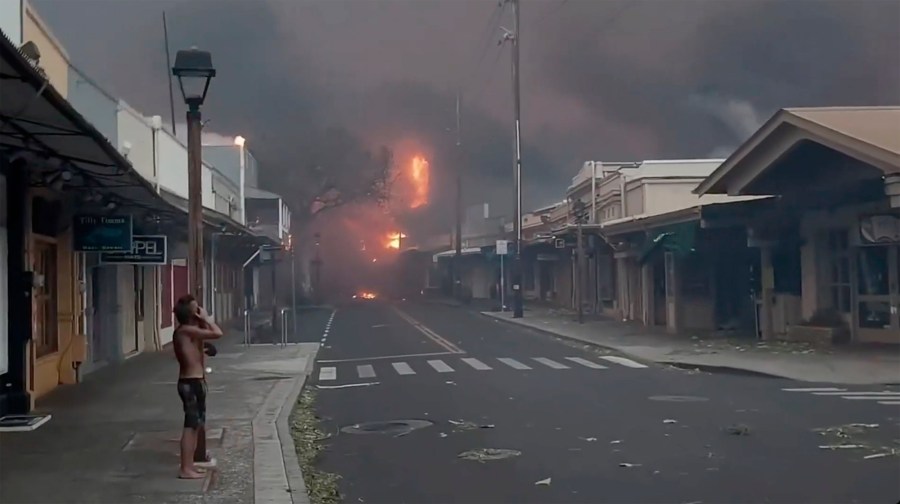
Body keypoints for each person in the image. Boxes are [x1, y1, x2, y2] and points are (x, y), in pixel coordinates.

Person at [173, 295, 223, 479]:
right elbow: (218, 333)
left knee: (195, 425)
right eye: (197, 308)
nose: (200, 310)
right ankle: (185, 468)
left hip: (195, 381)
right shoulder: (185, 331)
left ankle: (190, 465)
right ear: (192, 313)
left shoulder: (191, 332)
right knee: (190, 425)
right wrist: (206, 319)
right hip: (189, 383)